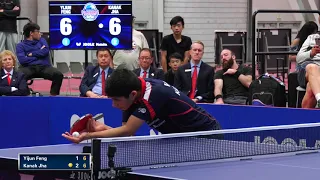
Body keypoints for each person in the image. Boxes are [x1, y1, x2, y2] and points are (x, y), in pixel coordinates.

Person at [62, 68, 221, 143]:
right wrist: (103, 129)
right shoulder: (132, 93)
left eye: (116, 100)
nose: (114, 105)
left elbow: (128, 130)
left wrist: (89, 135)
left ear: (131, 94)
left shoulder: (152, 95)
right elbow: (127, 135)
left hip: (206, 134)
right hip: (181, 138)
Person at [16, 22, 63, 96]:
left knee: (58, 74)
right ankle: (27, 95)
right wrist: (39, 56)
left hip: (44, 67)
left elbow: (45, 51)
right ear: (31, 33)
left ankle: (53, 95)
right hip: (28, 67)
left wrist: (31, 55)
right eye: (37, 31)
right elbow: (22, 60)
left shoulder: (42, 40)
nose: (40, 33)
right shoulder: (20, 46)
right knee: (19, 76)